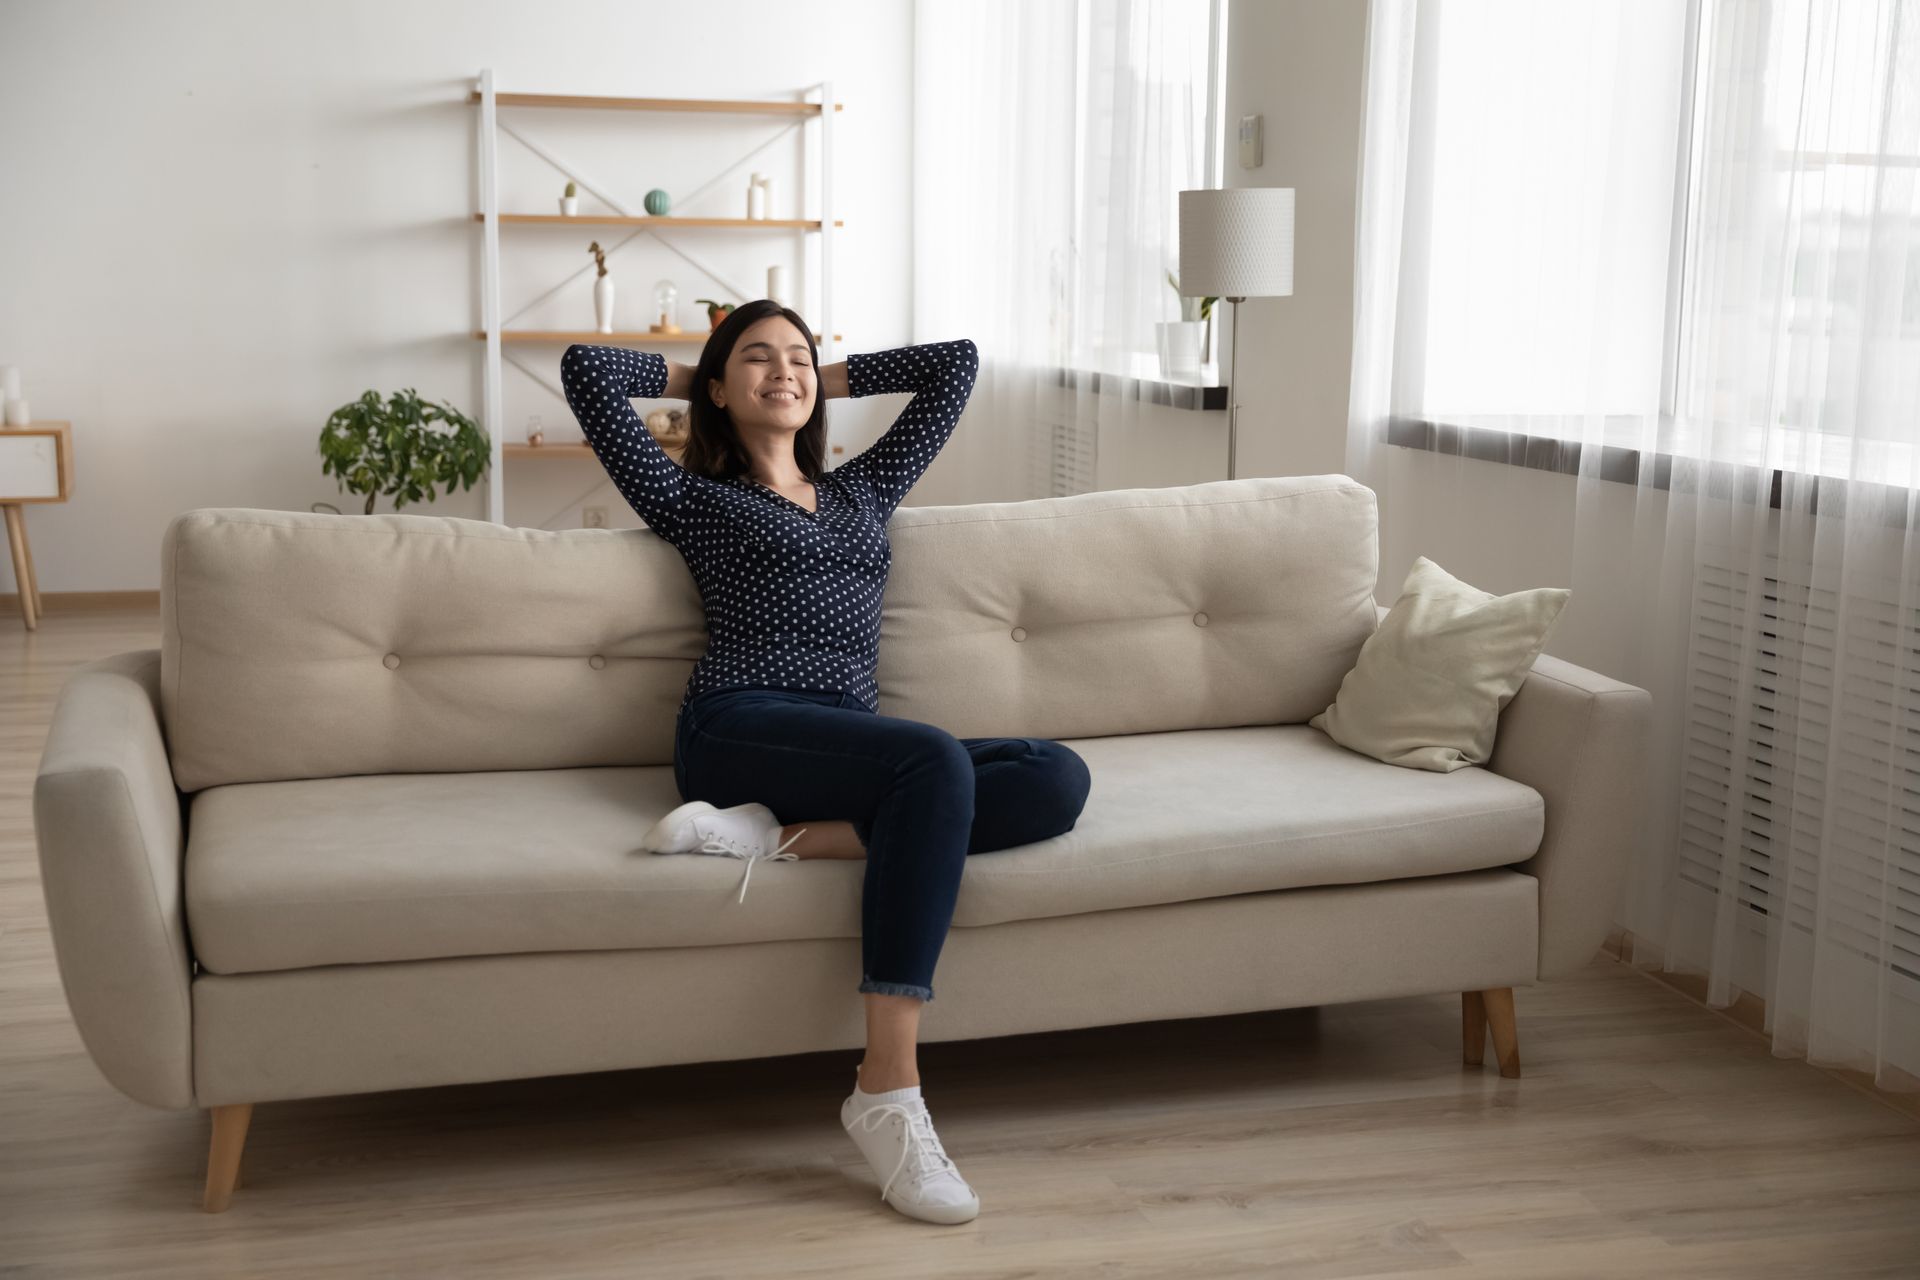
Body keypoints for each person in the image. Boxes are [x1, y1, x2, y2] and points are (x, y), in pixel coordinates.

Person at [558, 300, 1092, 1225]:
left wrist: (807, 375)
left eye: (799, 358)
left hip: (852, 744)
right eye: (759, 360)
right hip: (738, 723)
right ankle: (888, 1089)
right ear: (720, 390)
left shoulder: (862, 490)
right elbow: (587, 370)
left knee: (1056, 775)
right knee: (932, 765)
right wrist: (716, 378)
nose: (786, 371)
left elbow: (955, 364)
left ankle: (777, 838)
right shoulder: (691, 497)